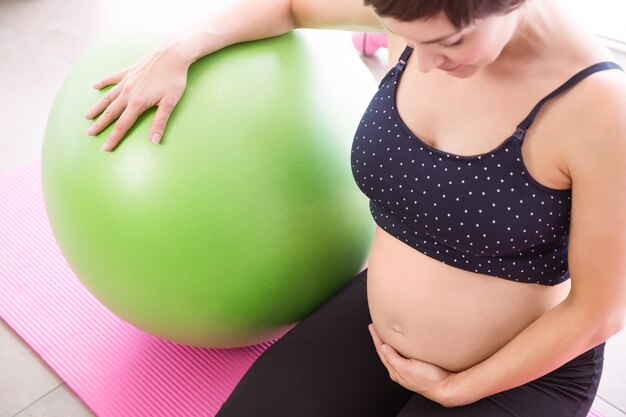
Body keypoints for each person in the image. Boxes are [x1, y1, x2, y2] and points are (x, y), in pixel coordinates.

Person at [85, 0, 626, 415]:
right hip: (375, 330)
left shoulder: (599, 109)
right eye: (412, 40)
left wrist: (459, 388)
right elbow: (291, 5)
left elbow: (599, 312)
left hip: (519, 373)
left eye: (450, 42)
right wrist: (181, 49)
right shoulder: (414, 9)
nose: (429, 63)